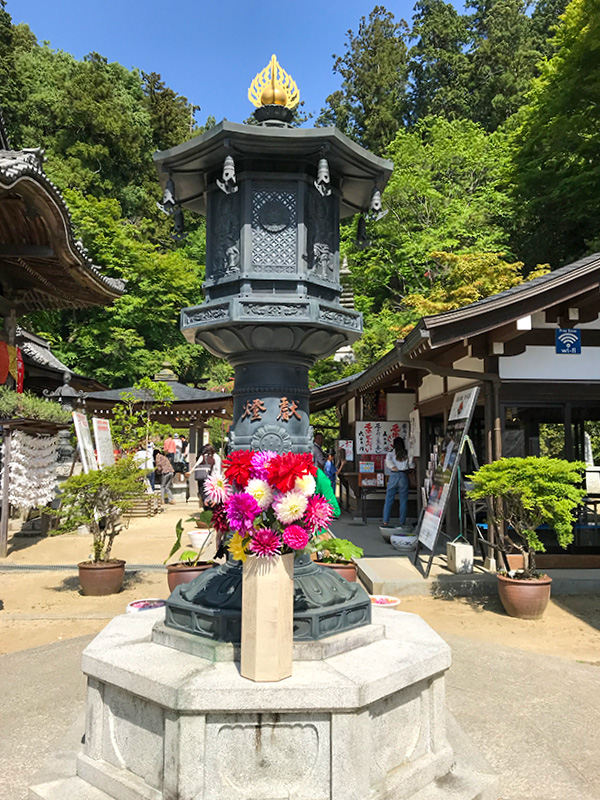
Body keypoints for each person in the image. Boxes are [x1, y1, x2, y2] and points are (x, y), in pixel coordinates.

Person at [382, 437, 414, 528]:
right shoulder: (407, 454)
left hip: (394, 475)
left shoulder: (391, 453)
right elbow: (411, 465)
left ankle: (385, 521)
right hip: (403, 476)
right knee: (403, 501)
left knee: (389, 500)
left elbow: (388, 463)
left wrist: (394, 468)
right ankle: (402, 522)